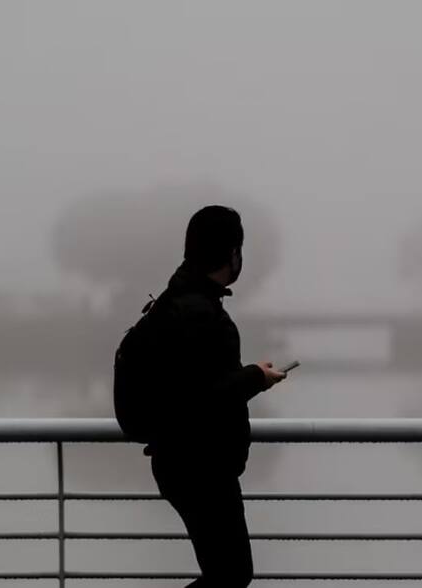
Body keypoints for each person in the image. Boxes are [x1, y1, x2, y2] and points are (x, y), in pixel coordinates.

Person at [145, 204, 287, 587]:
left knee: (225, 574)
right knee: (232, 575)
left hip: (179, 462)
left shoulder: (174, 301)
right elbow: (206, 395)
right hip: (201, 468)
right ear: (232, 254)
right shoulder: (203, 314)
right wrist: (256, 376)